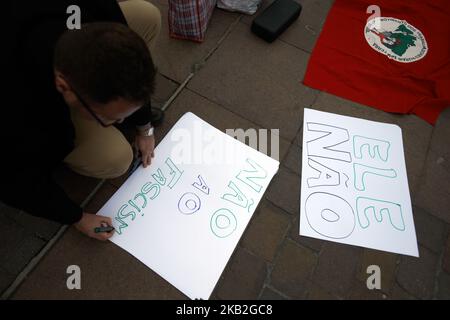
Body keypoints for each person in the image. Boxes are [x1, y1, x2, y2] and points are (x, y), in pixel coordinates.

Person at [1, 0, 162, 241]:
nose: (120, 122)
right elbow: (14, 181)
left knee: (147, 16)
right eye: (112, 118)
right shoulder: (17, 106)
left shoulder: (91, 10)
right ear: (64, 87)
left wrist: (144, 126)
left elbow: (130, 68)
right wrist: (76, 217)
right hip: (27, 98)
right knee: (116, 158)